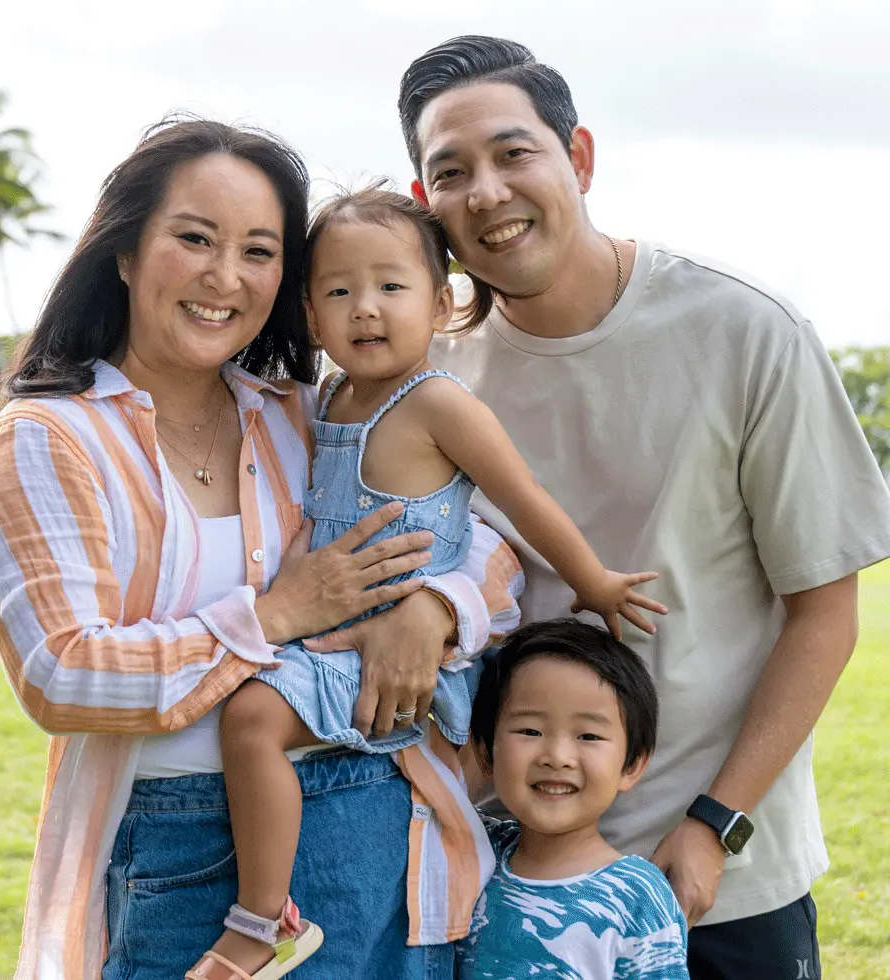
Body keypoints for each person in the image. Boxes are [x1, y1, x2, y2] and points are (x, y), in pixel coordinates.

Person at [0, 118, 524, 980]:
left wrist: (437, 608)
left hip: (386, 812)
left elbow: (480, 538)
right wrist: (275, 613)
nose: (225, 277)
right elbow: (63, 673)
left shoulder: (300, 414)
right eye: (194, 239)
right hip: (186, 849)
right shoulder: (44, 444)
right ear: (125, 253)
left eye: (259, 251)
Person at [396, 35, 890, 979]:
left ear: (577, 157)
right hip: (501, 885)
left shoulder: (746, 331)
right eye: (450, 172)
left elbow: (824, 615)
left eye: (514, 154)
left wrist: (717, 826)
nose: (487, 193)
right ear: (427, 204)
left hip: (717, 879)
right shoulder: (428, 376)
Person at [191, 184, 668, 979]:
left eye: (391, 287)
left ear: (442, 303)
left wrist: (595, 580)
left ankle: (260, 920)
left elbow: (525, 500)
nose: (365, 309)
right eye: (339, 292)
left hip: (421, 667)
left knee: (250, 721)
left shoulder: (438, 402)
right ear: (310, 315)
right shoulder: (329, 398)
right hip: (335, 640)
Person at [458, 618, 688, 979]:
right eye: (530, 730)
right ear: (485, 753)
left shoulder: (636, 896)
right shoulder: (471, 852)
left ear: (632, 764)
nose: (557, 756)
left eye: (589, 736)